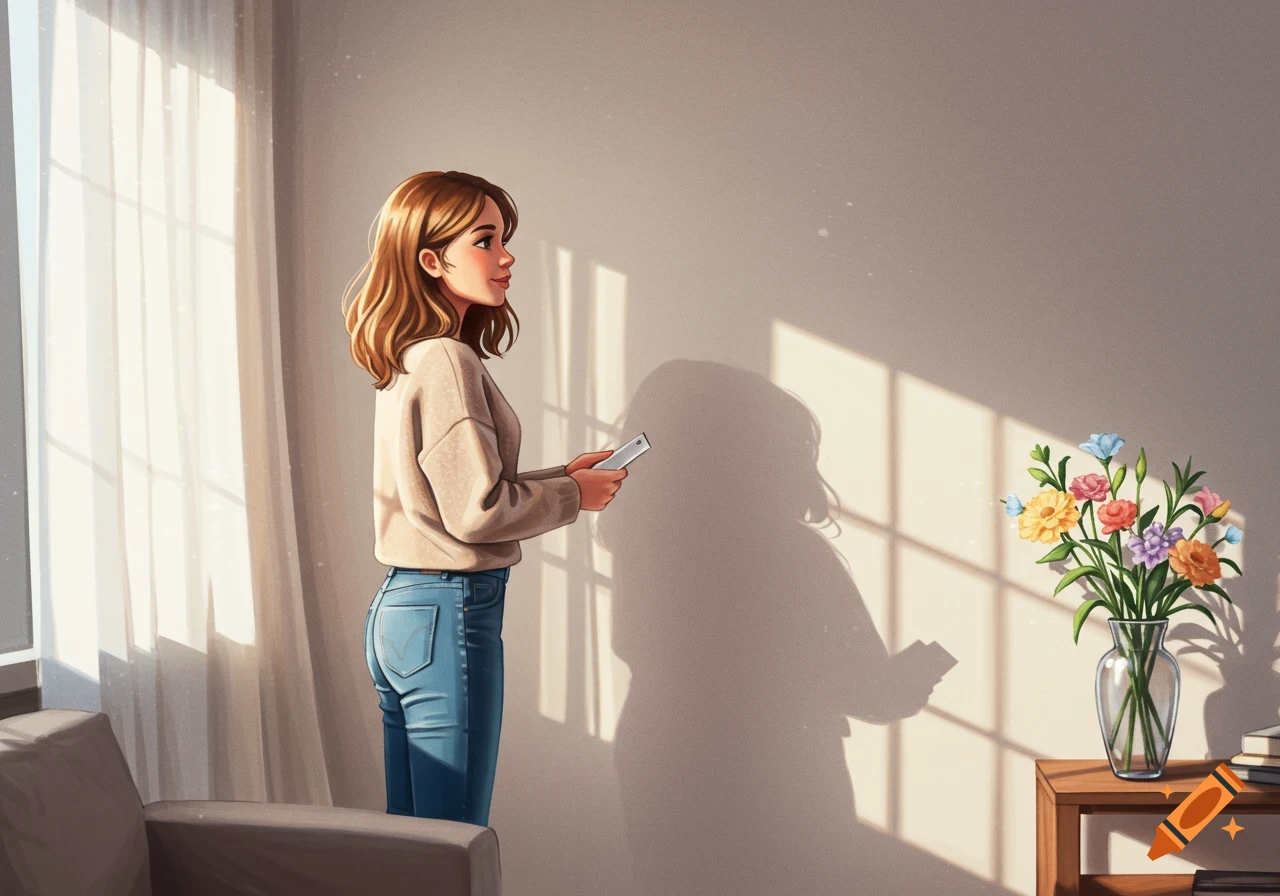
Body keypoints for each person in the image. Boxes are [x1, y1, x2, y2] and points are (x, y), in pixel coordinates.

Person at [342, 170, 627, 826]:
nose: (507, 256)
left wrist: (564, 476)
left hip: (403, 610)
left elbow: (453, 495)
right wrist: (571, 497)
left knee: (413, 842)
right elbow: (476, 514)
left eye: (505, 238)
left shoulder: (412, 356)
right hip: (451, 610)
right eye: (485, 240)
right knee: (451, 841)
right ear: (431, 259)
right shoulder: (447, 361)